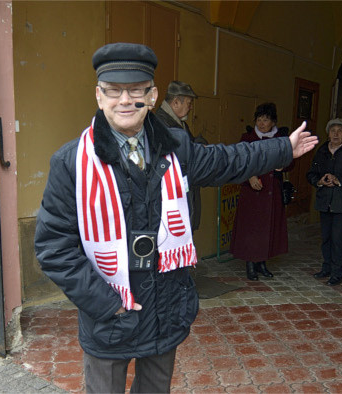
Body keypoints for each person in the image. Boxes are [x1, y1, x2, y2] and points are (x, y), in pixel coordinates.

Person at [33, 43, 317, 393]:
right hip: (108, 315)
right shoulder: (72, 162)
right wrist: (106, 304)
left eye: (136, 90)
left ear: (152, 96)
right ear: (99, 95)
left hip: (164, 309)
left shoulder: (175, 147)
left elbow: (225, 161)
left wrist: (282, 148)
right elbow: (53, 247)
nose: (125, 100)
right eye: (114, 91)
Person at [230, 102, 293, 281]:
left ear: (273, 122)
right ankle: (250, 264)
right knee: (252, 228)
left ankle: (262, 263)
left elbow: (291, 160)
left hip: (272, 191)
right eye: (259, 119)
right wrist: (250, 177)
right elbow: (239, 162)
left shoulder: (281, 138)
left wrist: (284, 164)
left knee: (268, 228)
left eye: (266, 120)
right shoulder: (247, 138)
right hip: (253, 191)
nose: (262, 123)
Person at [306, 118, 342, 286]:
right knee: (326, 237)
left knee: (338, 237)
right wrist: (320, 180)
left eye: (340, 131)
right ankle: (326, 267)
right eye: (333, 130)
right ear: (328, 133)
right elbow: (311, 173)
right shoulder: (323, 150)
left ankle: (337, 270)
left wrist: (339, 180)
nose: (336, 134)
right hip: (324, 200)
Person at [156, 81, 207, 232]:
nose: (191, 107)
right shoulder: (161, 123)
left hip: (183, 191)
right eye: (189, 103)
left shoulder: (178, 123)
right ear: (176, 102)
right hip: (173, 196)